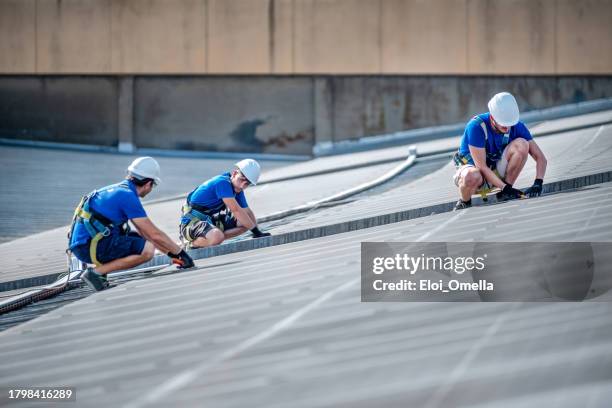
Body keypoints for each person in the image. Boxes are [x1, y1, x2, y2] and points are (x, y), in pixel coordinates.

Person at [68, 157, 194, 291]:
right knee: (147, 250)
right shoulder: (128, 196)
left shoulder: (117, 190)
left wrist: (172, 255)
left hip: (84, 244)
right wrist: (182, 254)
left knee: (138, 239)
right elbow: (154, 234)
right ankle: (96, 274)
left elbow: (146, 234)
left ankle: (100, 273)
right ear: (148, 183)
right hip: (89, 247)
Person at [453, 92, 548, 210]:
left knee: (522, 145)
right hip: (474, 172)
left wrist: (538, 183)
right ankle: (464, 202)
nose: (507, 128)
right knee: (472, 176)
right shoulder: (476, 126)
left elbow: (541, 158)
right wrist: (504, 187)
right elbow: (481, 167)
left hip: (495, 168)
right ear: (492, 117)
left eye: (509, 124)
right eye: (503, 124)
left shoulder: (516, 126)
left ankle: (504, 195)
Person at [180, 159, 271, 249]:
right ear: (235, 173)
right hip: (191, 224)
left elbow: (247, 211)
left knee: (245, 223)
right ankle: (192, 244)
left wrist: (258, 232)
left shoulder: (237, 189)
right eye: (242, 180)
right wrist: (255, 231)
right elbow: (236, 210)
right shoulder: (222, 183)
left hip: (209, 221)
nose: (243, 185)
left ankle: (212, 238)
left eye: (247, 183)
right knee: (218, 236)